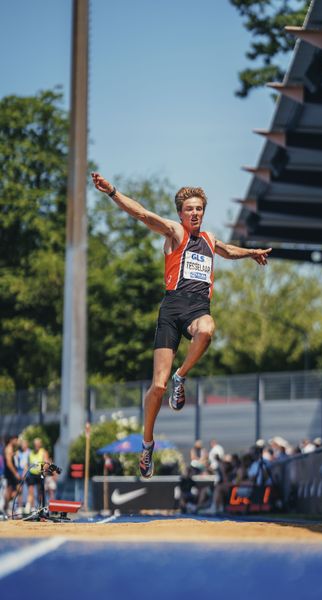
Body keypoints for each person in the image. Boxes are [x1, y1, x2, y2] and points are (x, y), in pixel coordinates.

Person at [91, 172, 272, 478]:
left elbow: (227, 250)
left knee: (207, 329)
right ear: (181, 213)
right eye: (189, 208)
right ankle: (147, 444)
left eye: (199, 208)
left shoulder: (210, 239)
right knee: (156, 388)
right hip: (172, 310)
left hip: (198, 309)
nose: (195, 213)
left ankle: (181, 375)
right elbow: (142, 214)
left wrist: (251, 253)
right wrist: (113, 193)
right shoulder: (175, 232)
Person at [3, 435, 20, 512]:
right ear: (12, 440)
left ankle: (8, 508)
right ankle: (6, 508)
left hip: (11, 473)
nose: (17, 442)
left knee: (17, 490)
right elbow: (9, 463)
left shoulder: (11, 449)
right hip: (10, 474)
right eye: (16, 440)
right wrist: (15, 473)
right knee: (10, 491)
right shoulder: (9, 449)